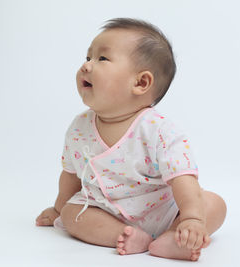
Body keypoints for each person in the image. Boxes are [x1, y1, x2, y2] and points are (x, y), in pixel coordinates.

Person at [36, 18, 227, 261]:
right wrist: (58, 208)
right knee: (72, 213)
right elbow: (71, 175)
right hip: (105, 210)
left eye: (102, 59)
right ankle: (127, 236)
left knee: (214, 204)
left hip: (164, 209)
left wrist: (191, 218)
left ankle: (174, 235)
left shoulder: (159, 130)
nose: (86, 66)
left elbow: (183, 178)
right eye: (87, 58)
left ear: (140, 82)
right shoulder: (79, 127)